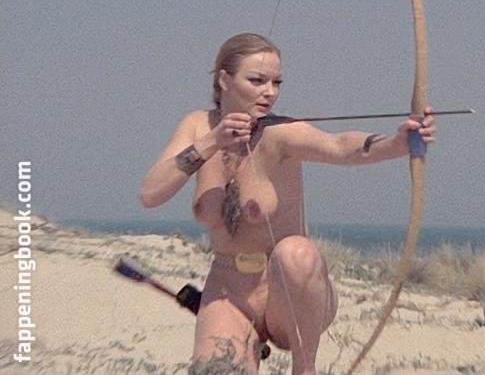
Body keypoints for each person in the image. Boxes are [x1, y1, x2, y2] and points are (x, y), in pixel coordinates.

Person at [139, 32, 436, 375]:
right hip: (228, 290)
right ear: (224, 79)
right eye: (257, 80)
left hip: (289, 295)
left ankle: (304, 368)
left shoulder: (281, 133)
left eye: (276, 82)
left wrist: (397, 143)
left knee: (295, 253)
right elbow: (151, 193)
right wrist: (211, 142)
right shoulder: (197, 126)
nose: (270, 92)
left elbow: (341, 146)